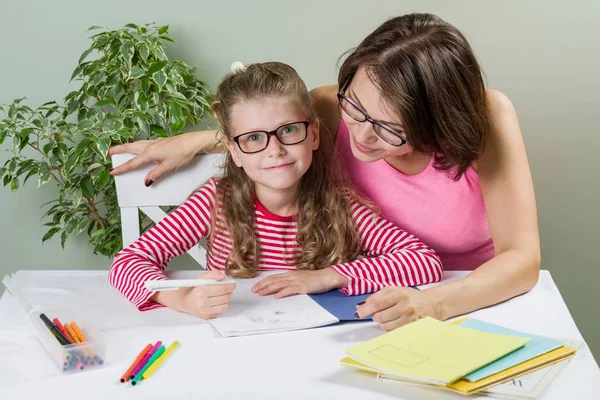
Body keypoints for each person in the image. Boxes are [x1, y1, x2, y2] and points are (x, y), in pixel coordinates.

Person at [110, 13, 540, 330]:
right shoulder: (326, 110)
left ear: (438, 124)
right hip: (351, 303)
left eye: (390, 128)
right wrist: (204, 140)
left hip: (465, 297)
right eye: (352, 105)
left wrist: (431, 304)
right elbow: (275, 127)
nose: (361, 135)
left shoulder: (484, 121)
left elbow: (519, 259)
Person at [108, 61, 442, 319]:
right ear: (234, 151)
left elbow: (424, 263)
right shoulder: (215, 201)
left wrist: (327, 277)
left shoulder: (341, 204)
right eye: (253, 138)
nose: (275, 150)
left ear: (312, 135)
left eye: (288, 130)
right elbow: (127, 263)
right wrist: (181, 298)